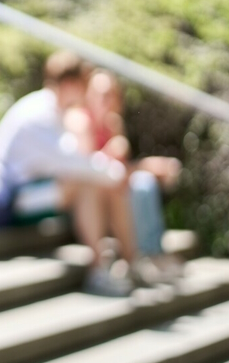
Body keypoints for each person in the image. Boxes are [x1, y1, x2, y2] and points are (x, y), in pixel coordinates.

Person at [0, 50, 137, 296]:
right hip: (9, 200)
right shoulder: (38, 114)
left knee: (93, 182)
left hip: (31, 190)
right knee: (87, 184)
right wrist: (116, 173)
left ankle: (127, 261)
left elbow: (73, 160)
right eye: (84, 86)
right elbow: (74, 163)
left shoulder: (50, 109)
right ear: (71, 84)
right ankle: (101, 267)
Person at [68, 68, 182, 283]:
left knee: (144, 183)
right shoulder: (80, 121)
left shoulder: (113, 124)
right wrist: (119, 155)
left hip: (113, 184)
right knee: (139, 187)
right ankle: (143, 256)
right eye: (100, 93)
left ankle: (151, 253)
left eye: (110, 94)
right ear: (88, 94)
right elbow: (87, 168)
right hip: (91, 192)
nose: (105, 99)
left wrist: (150, 167)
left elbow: (121, 170)